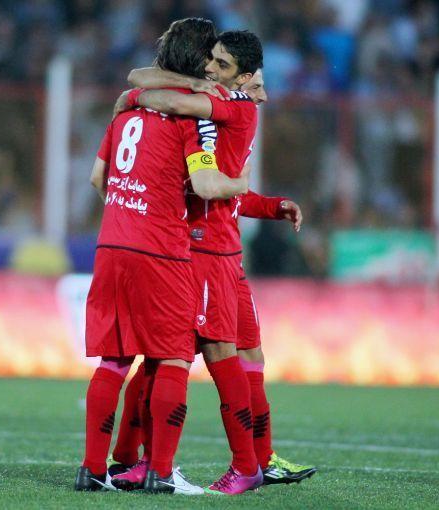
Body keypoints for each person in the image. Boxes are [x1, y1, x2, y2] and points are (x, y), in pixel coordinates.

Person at [112, 34, 315, 494]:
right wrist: (271, 205)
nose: (210, 69)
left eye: (222, 64)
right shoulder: (219, 104)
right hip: (210, 251)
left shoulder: (229, 105)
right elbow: (226, 189)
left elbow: (155, 94)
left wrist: (132, 99)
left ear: (243, 78)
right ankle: (152, 459)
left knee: (216, 358)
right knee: (203, 357)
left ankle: (251, 462)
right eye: (211, 60)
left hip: (211, 253)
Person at [74, 18, 250, 496]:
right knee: (172, 358)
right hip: (161, 251)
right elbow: (205, 185)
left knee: (113, 360)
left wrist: (130, 204)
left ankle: (92, 469)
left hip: (111, 243)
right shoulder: (191, 120)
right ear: (199, 62)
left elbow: (97, 178)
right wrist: (240, 185)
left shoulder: (126, 112)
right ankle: (162, 471)